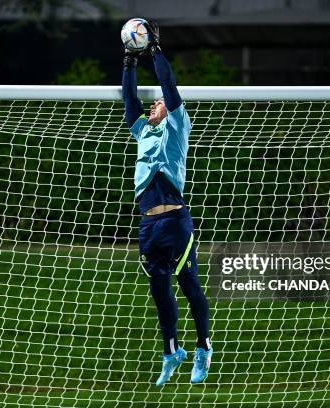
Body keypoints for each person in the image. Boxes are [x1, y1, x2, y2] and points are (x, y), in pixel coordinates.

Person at [121, 20, 212, 386]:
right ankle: (171, 352)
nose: (155, 103)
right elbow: (129, 99)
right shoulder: (142, 131)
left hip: (175, 220)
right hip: (148, 225)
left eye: (158, 101)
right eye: (153, 102)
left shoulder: (178, 126)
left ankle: (204, 347)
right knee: (160, 292)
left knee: (190, 285)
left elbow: (169, 87)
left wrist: (154, 50)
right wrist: (129, 60)